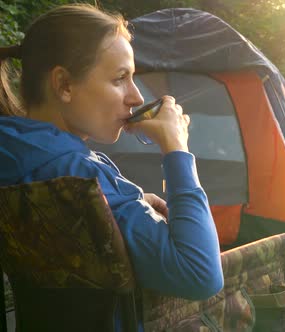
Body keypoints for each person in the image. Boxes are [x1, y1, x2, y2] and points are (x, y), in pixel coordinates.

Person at [0, 3, 223, 330]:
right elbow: (200, 274)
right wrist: (176, 148)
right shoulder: (84, 176)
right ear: (64, 84)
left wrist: (122, 205)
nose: (135, 97)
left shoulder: (15, 153)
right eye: (120, 78)